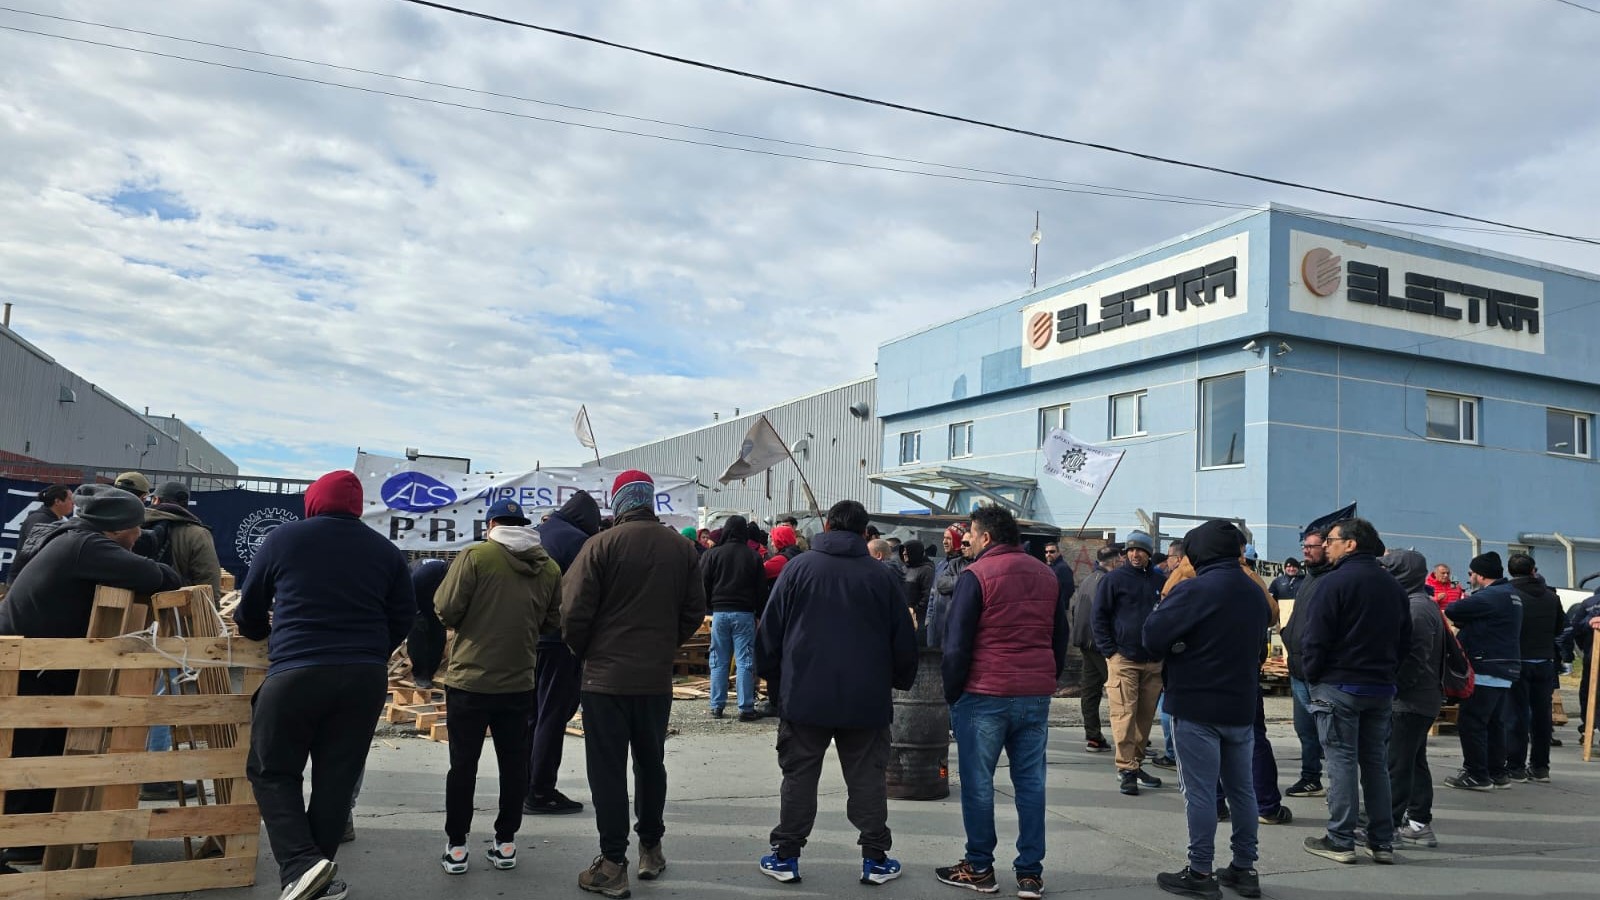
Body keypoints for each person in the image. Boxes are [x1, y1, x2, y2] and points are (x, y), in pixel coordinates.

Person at [236, 471, 414, 900]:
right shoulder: (386, 551)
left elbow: (250, 609)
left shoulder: (283, 539)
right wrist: (370, 652)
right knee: (337, 778)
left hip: (298, 670)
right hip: (363, 678)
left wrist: (262, 632)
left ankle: (300, 865)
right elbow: (404, 615)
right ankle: (317, 878)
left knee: (272, 769)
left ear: (313, 501)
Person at [0, 485, 180, 869]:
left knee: (40, 745)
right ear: (119, 529)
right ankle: (23, 837)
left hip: (35, 660)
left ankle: (30, 833)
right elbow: (161, 577)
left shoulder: (72, 538)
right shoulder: (89, 547)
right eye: (136, 527)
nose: (139, 535)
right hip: (33, 663)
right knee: (34, 748)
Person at [755, 500, 916, 887]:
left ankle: (786, 856)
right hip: (865, 698)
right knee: (867, 779)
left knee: (799, 777)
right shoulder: (882, 577)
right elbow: (903, 640)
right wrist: (898, 679)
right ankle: (875, 858)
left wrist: (774, 682)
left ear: (827, 526)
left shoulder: (797, 568)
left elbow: (769, 632)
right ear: (865, 533)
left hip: (804, 695)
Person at [562, 470, 706, 898]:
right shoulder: (682, 548)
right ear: (650, 501)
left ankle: (611, 863)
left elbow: (572, 613)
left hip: (605, 680)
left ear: (619, 503)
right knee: (651, 764)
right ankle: (651, 849)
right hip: (655, 679)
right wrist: (664, 645)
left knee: (607, 771)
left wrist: (588, 651)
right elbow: (693, 610)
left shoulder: (598, 546)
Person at [935, 506, 1068, 899]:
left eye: (971, 535)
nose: (967, 541)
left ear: (987, 537)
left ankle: (979, 867)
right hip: (1034, 695)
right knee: (1031, 784)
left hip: (983, 694)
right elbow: (1059, 637)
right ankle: (1030, 874)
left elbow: (955, 644)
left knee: (978, 785)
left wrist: (952, 694)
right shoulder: (1046, 574)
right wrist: (1046, 677)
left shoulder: (975, 575)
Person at [1143, 520, 1271, 900]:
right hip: (1241, 704)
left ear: (1198, 553)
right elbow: (1259, 648)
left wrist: (1179, 646)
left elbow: (1152, 637)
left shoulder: (1194, 589)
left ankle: (1200, 871)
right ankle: (1244, 869)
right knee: (1242, 791)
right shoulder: (1253, 591)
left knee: (1199, 793)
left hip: (1196, 704)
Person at [434, 499, 561, 875]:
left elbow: (445, 608)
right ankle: (506, 843)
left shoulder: (475, 556)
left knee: (463, 765)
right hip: (519, 680)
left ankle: (457, 847)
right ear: (524, 525)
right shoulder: (548, 566)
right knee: (513, 764)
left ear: (491, 524)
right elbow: (552, 621)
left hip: (469, 680)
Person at [1297, 517, 1410, 865]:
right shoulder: (1392, 585)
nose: (1325, 545)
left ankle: (1340, 838)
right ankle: (1382, 840)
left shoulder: (1334, 583)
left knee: (1341, 761)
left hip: (1339, 686)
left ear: (1351, 544)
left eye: (1331, 540)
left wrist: (1313, 676)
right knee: (1374, 763)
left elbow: (1315, 638)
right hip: (1379, 686)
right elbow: (1405, 639)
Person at [137, 481, 225, 802]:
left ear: (156, 499)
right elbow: (207, 587)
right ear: (187, 503)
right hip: (172, 626)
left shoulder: (130, 525)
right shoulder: (195, 534)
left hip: (127, 623)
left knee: (126, 694)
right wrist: (206, 630)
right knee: (164, 695)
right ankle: (155, 775)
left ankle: (121, 765)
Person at [524, 490, 602, 816]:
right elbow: (586, 596)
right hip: (558, 640)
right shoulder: (578, 542)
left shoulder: (536, 534)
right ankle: (540, 792)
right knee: (552, 716)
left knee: (531, 715)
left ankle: (522, 782)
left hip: (526, 639)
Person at [1378, 549, 1446, 849]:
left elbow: (1415, 659)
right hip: (1420, 700)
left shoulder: (1415, 608)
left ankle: (1388, 827)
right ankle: (1418, 822)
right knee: (1414, 762)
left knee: (1397, 765)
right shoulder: (1420, 603)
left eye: (1389, 569)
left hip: (1409, 702)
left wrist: (1393, 688)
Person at [1092, 530, 1166, 796]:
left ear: (1149, 553)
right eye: (1131, 550)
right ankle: (1126, 769)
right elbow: (1098, 616)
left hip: (1153, 661)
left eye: (1141, 550)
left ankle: (1136, 762)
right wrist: (1110, 651)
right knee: (1124, 715)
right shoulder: (1114, 580)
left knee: (1144, 717)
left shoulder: (1160, 579)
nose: (1135, 554)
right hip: (1123, 659)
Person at [1442, 552, 1524, 791]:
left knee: (1472, 722)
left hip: (1486, 665)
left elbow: (1455, 609)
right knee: (1495, 723)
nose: (1470, 577)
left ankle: (1477, 774)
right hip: (1504, 666)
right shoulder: (1511, 595)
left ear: (1480, 574)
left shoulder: (1490, 596)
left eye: (1471, 573)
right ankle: (1497, 772)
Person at [1279, 529, 1330, 799]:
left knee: (1329, 736)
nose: (1305, 551)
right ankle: (1311, 778)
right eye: (1304, 546)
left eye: (1311, 546)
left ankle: (1341, 790)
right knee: (1305, 731)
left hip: (1320, 674)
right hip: (1298, 670)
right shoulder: (1308, 579)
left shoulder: (1333, 580)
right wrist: (1288, 634)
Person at [1504, 554, 1564, 784]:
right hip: (1545, 660)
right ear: (1533, 571)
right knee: (1541, 716)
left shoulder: (1509, 594)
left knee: (1516, 715)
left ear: (1511, 571)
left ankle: (1516, 766)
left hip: (1518, 660)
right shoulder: (1551, 596)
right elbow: (1559, 628)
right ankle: (1540, 767)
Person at [700, 515, 765, 721]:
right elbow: (761, 590)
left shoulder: (713, 554)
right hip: (745, 614)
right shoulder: (753, 556)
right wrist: (759, 613)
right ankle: (745, 708)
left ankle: (717, 705)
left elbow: (703, 584)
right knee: (745, 659)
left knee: (718, 658)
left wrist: (710, 605)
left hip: (719, 613)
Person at [1069, 545, 1120, 753]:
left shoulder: (1088, 579)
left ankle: (1093, 736)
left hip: (1085, 641)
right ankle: (1130, 740)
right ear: (1116, 561)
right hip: (1101, 644)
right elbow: (1109, 614)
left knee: (1090, 691)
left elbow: (1075, 609)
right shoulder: (1109, 581)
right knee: (1121, 692)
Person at [926, 523, 969, 648]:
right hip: (935, 625)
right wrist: (929, 620)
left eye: (949, 538)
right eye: (944, 538)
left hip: (951, 626)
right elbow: (933, 594)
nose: (944, 542)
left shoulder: (964, 564)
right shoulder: (941, 564)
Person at [900, 540, 935, 629]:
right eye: (903, 550)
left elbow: (928, 596)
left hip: (919, 620)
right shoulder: (903, 569)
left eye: (907, 550)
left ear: (914, 552)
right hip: (903, 616)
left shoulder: (927, 570)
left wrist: (914, 610)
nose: (904, 553)